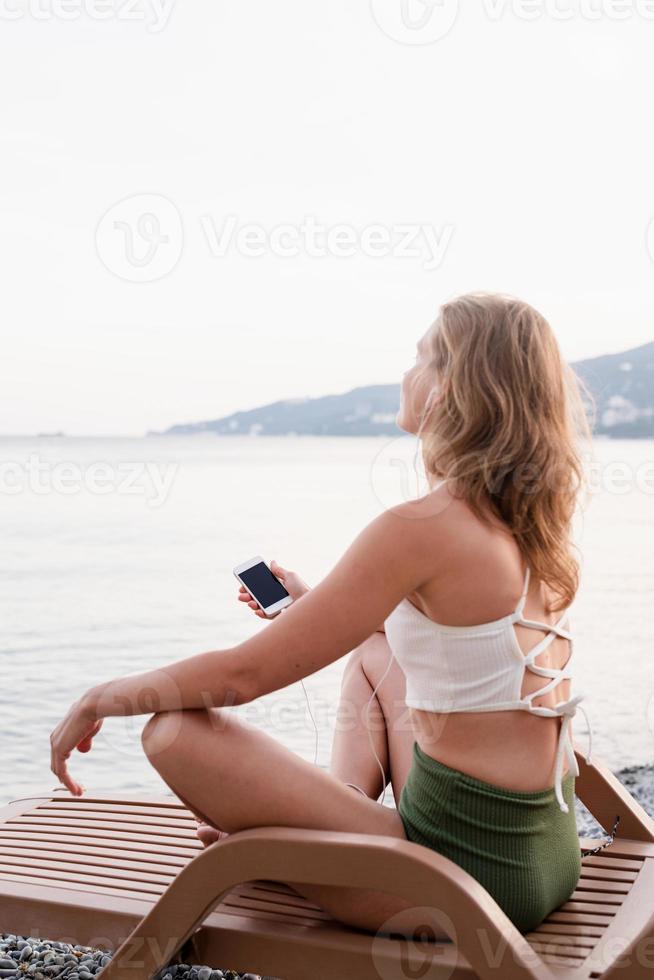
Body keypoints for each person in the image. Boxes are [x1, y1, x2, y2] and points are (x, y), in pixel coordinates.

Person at [49, 292, 594, 937]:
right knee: (373, 652)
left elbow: (240, 679)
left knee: (172, 729)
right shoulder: (528, 524)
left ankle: (315, 845)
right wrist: (317, 609)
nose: (405, 373)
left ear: (451, 389)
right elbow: (464, 652)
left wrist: (97, 699)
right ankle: (335, 822)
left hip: (458, 886)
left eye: (421, 357)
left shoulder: (422, 527)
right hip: (542, 857)